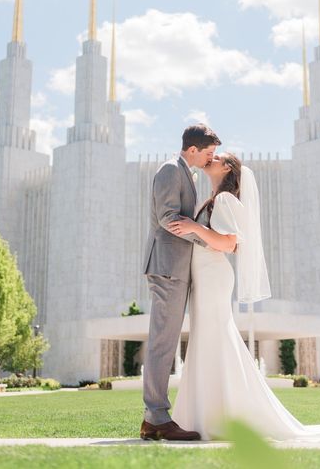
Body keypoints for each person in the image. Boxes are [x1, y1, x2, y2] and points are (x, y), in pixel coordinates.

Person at [168, 153, 320, 447]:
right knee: (207, 340)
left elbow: (229, 244)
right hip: (203, 279)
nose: (210, 159)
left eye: (216, 157)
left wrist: (193, 227)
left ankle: (220, 416)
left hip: (214, 279)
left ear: (227, 167)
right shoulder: (214, 199)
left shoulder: (227, 199)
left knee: (214, 339)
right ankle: (205, 415)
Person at [140, 123, 221, 441]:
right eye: (208, 153)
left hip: (176, 269)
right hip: (167, 268)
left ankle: (153, 419)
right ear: (192, 150)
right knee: (162, 342)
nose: (210, 159)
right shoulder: (171, 170)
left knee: (166, 342)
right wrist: (209, 241)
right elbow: (169, 219)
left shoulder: (185, 173)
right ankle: (157, 416)